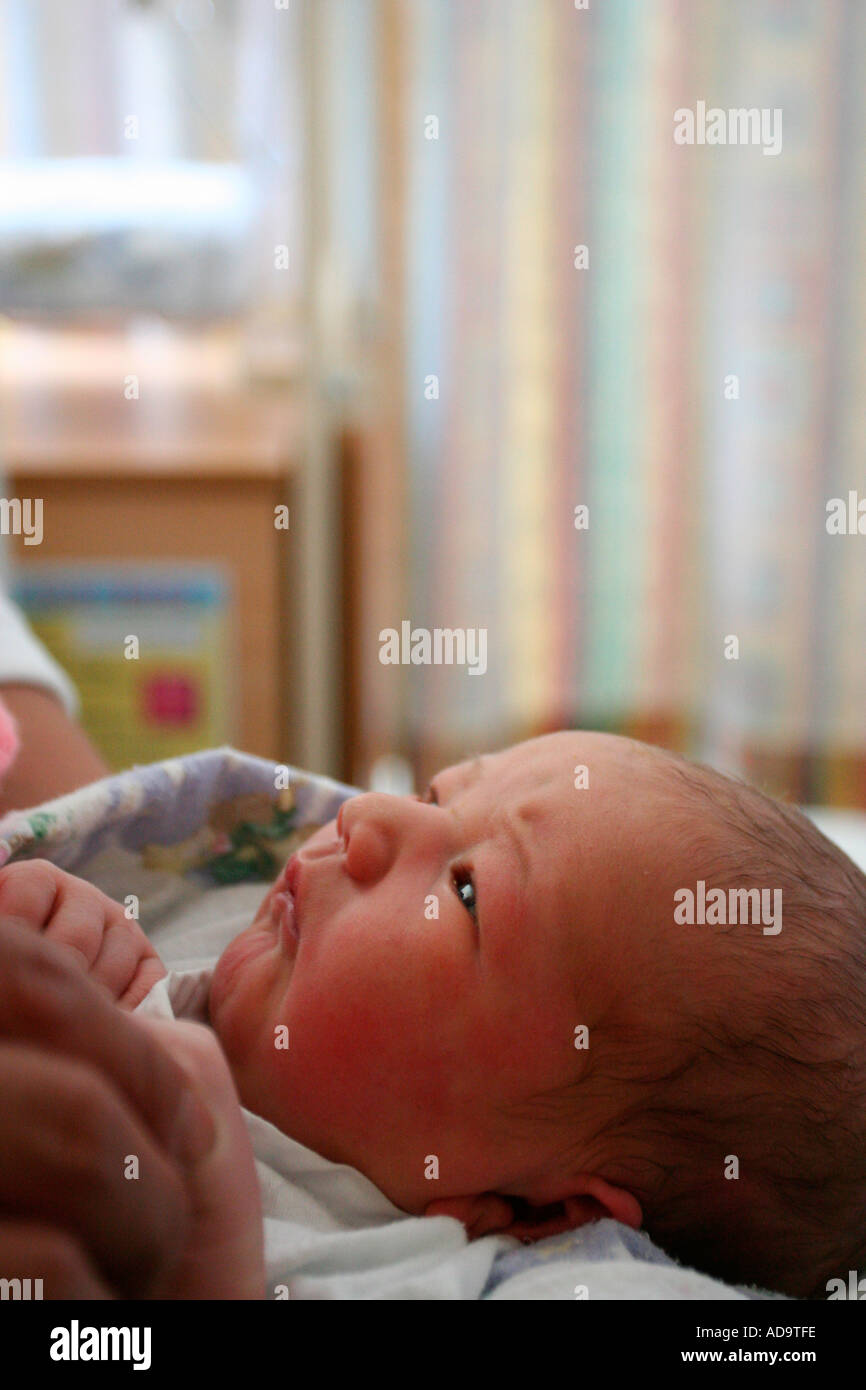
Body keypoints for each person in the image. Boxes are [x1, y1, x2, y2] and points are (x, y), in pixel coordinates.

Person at [5, 730, 866, 1298]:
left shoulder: (401, 1276)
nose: (364, 817)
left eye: (465, 892)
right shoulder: (185, 917)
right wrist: (53, 934)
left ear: (545, 1215)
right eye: (431, 795)